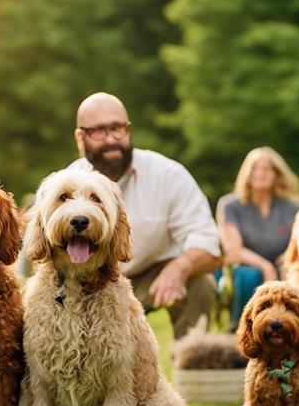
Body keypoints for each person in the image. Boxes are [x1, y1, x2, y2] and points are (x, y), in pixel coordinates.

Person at [68, 92, 221, 339]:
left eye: (117, 128)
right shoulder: (67, 183)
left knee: (200, 284)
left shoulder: (169, 175)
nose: (110, 140)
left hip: (150, 276)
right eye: (98, 131)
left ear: (128, 129)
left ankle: (192, 369)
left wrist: (179, 268)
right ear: (80, 137)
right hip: (87, 280)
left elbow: (208, 241)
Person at [221, 147, 299, 327]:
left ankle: (294, 330)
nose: (261, 173)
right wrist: (265, 266)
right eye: (256, 168)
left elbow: (298, 244)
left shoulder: (292, 207)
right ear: (247, 174)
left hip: (284, 264)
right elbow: (233, 251)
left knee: (296, 277)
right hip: (246, 267)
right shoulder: (231, 205)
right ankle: (241, 326)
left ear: (276, 174)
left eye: (267, 169)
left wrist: (283, 264)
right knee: (249, 276)